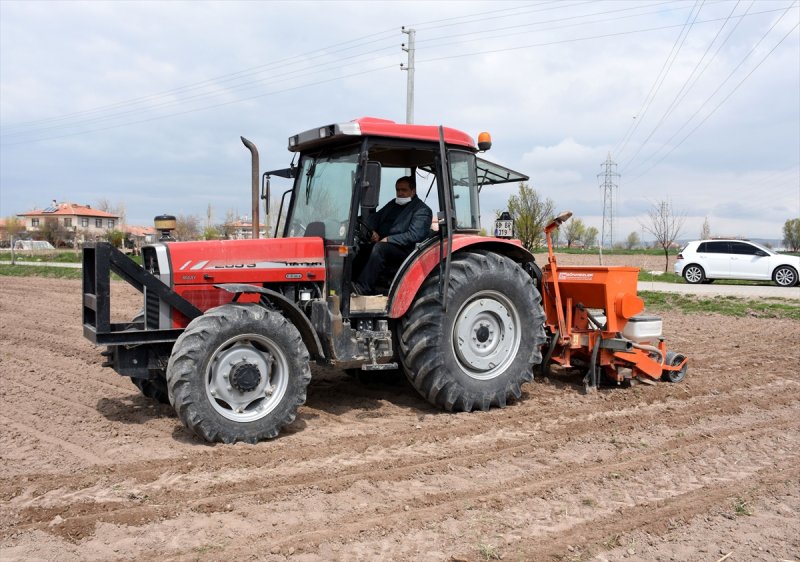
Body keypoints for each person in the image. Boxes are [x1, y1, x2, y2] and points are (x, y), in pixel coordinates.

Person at [352, 176, 433, 295]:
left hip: (406, 250)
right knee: (359, 247)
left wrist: (389, 239)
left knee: (379, 248)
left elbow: (415, 235)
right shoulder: (393, 204)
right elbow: (375, 218)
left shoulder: (422, 210)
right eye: (398, 190)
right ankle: (351, 283)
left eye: (404, 190)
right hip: (385, 244)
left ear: (413, 191)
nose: (400, 193)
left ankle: (363, 288)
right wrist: (373, 230)